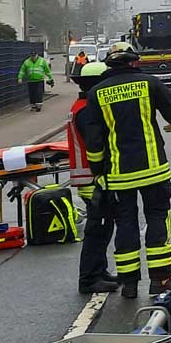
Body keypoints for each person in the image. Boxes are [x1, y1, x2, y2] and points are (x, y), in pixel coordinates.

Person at [79, 41, 171, 299]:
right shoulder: (149, 84)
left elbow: (94, 142)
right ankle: (160, 281)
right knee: (157, 220)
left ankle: (129, 284)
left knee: (125, 224)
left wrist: (98, 171)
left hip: (118, 175)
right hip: (154, 171)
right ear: (134, 61)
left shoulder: (97, 93)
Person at [68, 61, 120, 294]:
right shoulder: (88, 110)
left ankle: (100, 271)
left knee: (103, 227)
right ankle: (89, 279)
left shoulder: (82, 105)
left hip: (89, 178)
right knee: (97, 230)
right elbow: (96, 144)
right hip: (93, 179)